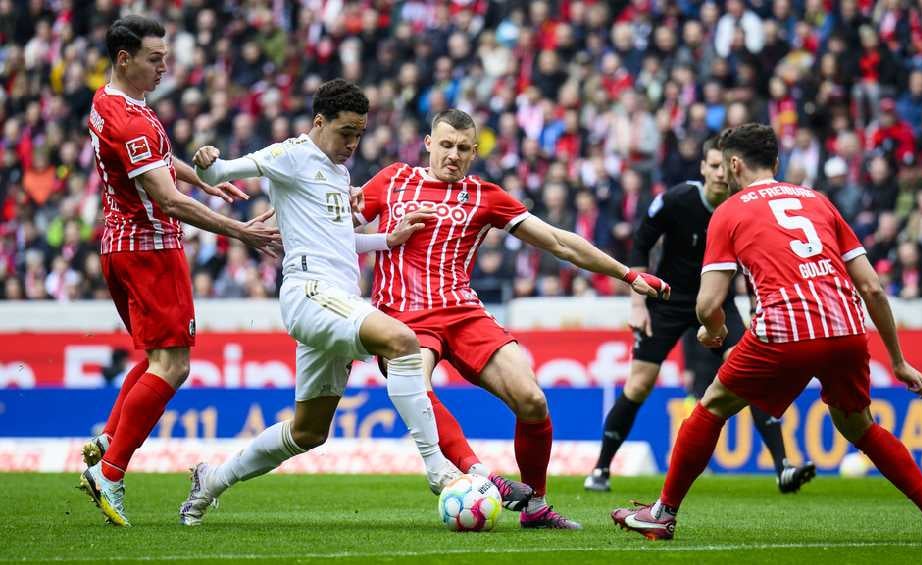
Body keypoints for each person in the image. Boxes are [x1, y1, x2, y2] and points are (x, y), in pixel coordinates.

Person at [611, 123, 922, 543]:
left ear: (734, 164)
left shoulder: (729, 210)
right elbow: (870, 285)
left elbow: (708, 304)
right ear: (776, 163)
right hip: (846, 329)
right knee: (859, 427)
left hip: (786, 330)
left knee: (712, 406)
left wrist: (713, 331)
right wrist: (899, 361)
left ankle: (663, 513)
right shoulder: (818, 200)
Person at [359, 108, 671, 529]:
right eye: (446, 145)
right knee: (415, 387)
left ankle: (536, 506)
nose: (453, 155)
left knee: (533, 400)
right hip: (402, 318)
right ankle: (481, 474)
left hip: (463, 312)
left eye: (463, 149)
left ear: (474, 154)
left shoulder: (484, 195)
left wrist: (628, 274)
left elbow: (559, 242)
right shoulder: (392, 180)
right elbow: (337, 220)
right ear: (428, 144)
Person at [176, 79, 455, 526]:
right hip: (309, 292)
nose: (353, 143)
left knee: (308, 432)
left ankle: (210, 481)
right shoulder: (291, 154)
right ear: (319, 122)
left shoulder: (339, 173)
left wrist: (388, 238)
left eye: (359, 133)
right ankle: (438, 468)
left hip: (337, 298)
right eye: (346, 132)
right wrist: (207, 160)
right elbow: (222, 172)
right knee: (403, 341)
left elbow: (339, 241)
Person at [77, 15, 283, 527]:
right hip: (150, 249)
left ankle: (109, 438)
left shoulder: (109, 104)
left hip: (119, 244)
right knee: (173, 367)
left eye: (165, 56)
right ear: (124, 59)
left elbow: (160, 164)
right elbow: (167, 198)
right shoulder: (132, 119)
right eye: (155, 58)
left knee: (155, 360)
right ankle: (112, 470)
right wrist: (240, 231)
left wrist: (206, 182)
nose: (165, 66)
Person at [584, 136, 815, 494]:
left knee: (751, 376)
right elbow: (641, 243)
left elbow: (758, 260)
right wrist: (637, 302)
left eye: (726, 165)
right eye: (714, 166)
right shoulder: (676, 201)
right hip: (668, 299)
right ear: (703, 168)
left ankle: (783, 466)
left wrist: (756, 308)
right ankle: (600, 469)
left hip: (718, 302)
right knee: (640, 384)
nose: (721, 173)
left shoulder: (744, 207)